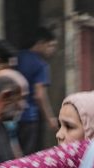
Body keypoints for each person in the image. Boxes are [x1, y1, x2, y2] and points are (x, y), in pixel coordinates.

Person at [15, 27, 59, 155]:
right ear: (40, 43)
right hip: (29, 117)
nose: (53, 50)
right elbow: (39, 95)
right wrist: (50, 118)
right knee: (26, 156)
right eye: (50, 45)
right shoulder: (41, 65)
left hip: (12, 117)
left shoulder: (17, 56)